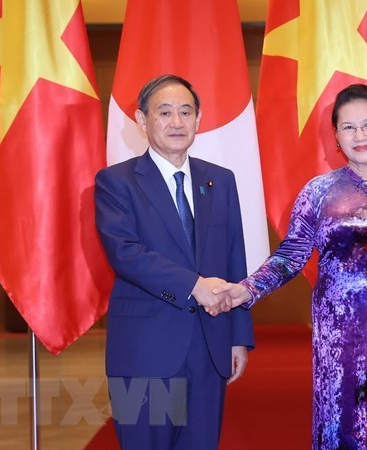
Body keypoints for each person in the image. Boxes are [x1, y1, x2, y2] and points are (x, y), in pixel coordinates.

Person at [216, 84, 367, 449]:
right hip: (339, 343)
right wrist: (247, 288)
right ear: (336, 136)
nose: (359, 135)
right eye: (348, 127)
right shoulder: (317, 192)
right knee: (342, 432)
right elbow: (291, 255)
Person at [94, 74, 253, 449]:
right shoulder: (117, 182)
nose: (176, 122)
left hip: (209, 346)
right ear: (140, 119)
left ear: (199, 120)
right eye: (164, 113)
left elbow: (234, 258)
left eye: (186, 112)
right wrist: (195, 285)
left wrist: (239, 338)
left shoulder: (221, 181)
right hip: (145, 350)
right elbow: (125, 253)